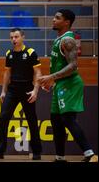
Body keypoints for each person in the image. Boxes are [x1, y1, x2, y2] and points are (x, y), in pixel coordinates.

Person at [38, 9, 97, 162]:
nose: (53, 20)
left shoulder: (68, 40)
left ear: (66, 22)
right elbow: (60, 65)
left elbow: (73, 66)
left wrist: (51, 77)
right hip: (60, 83)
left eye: (57, 18)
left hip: (70, 83)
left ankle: (90, 154)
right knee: (56, 120)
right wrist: (52, 81)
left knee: (68, 120)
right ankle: (60, 157)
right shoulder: (59, 39)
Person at [0, 28, 42, 160]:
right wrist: (3, 91)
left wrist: (35, 90)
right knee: (3, 118)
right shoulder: (9, 53)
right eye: (11, 37)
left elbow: (38, 73)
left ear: (23, 37)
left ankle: (36, 152)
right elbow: (7, 73)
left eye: (16, 37)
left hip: (27, 90)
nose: (14, 40)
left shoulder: (30, 53)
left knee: (32, 120)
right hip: (12, 90)